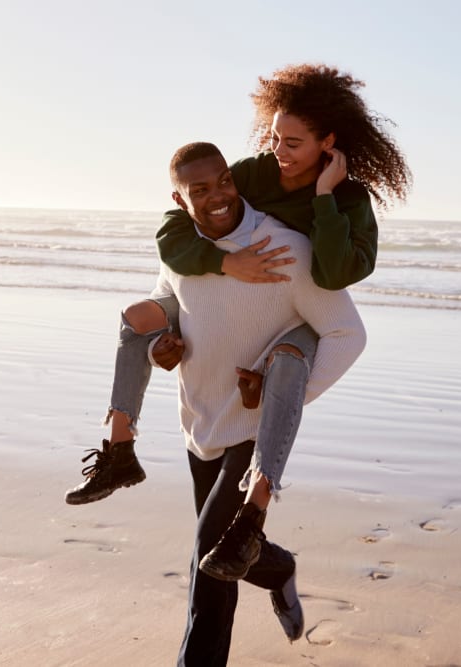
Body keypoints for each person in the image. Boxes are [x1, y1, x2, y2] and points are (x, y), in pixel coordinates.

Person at [64, 64, 410, 569]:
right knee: (134, 318)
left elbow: (336, 274)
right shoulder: (253, 174)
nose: (279, 152)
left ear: (328, 143)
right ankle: (119, 450)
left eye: (294, 143)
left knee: (290, 359)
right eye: (275, 137)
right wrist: (226, 264)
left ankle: (258, 514)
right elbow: (179, 223)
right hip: (233, 321)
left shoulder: (350, 201)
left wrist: (323, 198)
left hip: (301, 316)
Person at [153, 142, 365, 664]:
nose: (218, 196)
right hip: (198, 421)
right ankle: (277, 567)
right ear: (179, 201)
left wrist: (282, 404)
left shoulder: (284, 249)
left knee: (208, 564)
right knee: (228, 559)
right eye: (200, 190)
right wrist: (162, 342)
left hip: (248, 433)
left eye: (224, 181)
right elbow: (168, 303)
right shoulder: (182, 249)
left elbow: (346, 333)